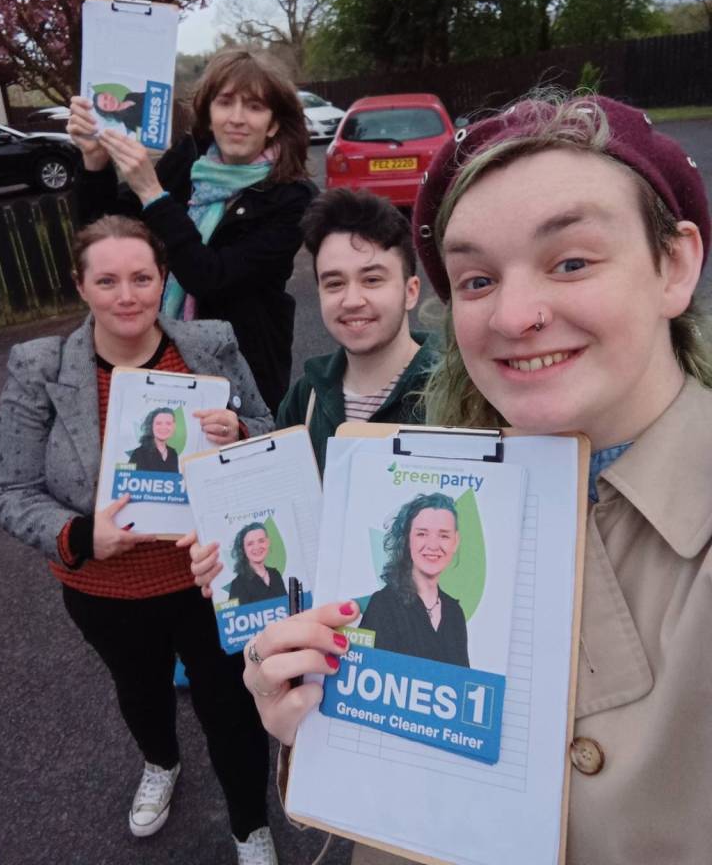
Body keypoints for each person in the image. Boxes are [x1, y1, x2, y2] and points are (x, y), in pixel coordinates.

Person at [234, 93, 712, 865]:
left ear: (675, 265)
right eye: (479, 280)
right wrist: (314, 727)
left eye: (572, 261)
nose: (514, 315)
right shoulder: (414, 498)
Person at [0, 214, 280, 865]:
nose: (127, 294)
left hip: (209, 578)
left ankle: (248, 823)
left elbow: (268, 429)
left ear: (163, 279)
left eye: (142, 277)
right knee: (140, 691)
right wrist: (77, 534)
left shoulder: (210, 345)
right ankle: (160, 761)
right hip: (104, 588)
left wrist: (238, 430)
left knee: (232, 705)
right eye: (108, 279)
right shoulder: (39, 368)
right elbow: (9, 490)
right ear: (81, 285)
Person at [68, 47, 314, 415]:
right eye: (225, 102)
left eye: (254, 107)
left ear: (274, 124)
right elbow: (103, 230)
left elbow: (210, 277)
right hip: (163, 355)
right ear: (209, 113)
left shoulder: (291, 199)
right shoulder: (189, 159)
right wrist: (94, 163)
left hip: (242, 367)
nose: (237, 118)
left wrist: (153, 194)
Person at [276, 188, 439, 472]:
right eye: (335, 283)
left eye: (372, 279)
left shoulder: (455, 393)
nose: (352, 300)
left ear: (411, 291)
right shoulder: (305, 399)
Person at [360, 492, 468, 667]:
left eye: (444, 535)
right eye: (422, 534)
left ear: (455, 542)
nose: (433, 545)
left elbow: (463, 684)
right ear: (407, 540)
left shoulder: (454, 613)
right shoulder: (383, 605)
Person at [228, 523, 287, 607]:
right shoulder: (238, 584)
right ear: (243, 549)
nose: (257, 547)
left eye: (261, 541)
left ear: (268, 543)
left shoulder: (275, 574)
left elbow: (287, 607)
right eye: (250, 544)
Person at [128, 407, 179, 473]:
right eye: (159, 423)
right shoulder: (139, 453)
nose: (164, 427)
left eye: (168, 423)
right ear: (151, 426)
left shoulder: (173, 453)